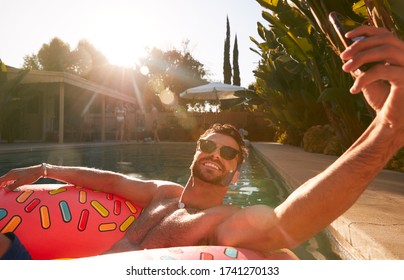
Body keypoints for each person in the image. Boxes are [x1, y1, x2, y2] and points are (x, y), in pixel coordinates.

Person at [1, 25, 404, 259]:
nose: (216, 155)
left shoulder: (222, 221)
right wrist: (43, 168)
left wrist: (387, 130)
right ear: (196, 151)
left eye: (228, 153)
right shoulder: (162, 193)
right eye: (209, 145)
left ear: (236, 171)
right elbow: (108, 180)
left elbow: (285, 224)